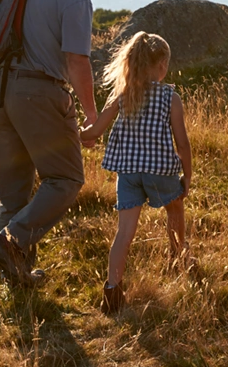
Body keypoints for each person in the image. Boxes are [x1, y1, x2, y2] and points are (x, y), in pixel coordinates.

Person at [0, 0, 113, 288]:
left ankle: (17, 277)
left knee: (14, 192)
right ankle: (11, 242)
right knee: (66, 179)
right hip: (38, 94)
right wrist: (91, 112)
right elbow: (76, 61)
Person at [80, 32, 192, 314]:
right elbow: (183, 144)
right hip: (160, 172)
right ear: (162, 65)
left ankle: (112, 290)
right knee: (174, 209)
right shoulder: (170, 97)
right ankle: (177, 260)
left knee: (124, 233)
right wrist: (186, 177)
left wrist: (76, 128)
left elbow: (93, 133)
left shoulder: (123, 95)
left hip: (127, 173)